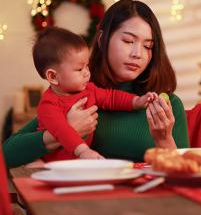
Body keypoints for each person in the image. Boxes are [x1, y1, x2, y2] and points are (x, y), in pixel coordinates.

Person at [3, 0, 190, 166]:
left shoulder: (166, 105)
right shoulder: (79, 94)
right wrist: (66, 131)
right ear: (102, 39)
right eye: (127, 41)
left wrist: (164, 140)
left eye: (148, 46)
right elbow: (6, 154)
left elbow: (184, 174)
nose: (137, 54)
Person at [32, 27, 156, 162]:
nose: (86, 72)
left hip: (78, 161)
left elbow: (111, 98)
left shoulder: (89, 90)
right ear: (52, 76)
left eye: (87, 66)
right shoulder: (49, 105)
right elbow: (63, 131)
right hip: (53, 163)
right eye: (79, 69)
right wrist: (83, 150)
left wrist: (136, 101)